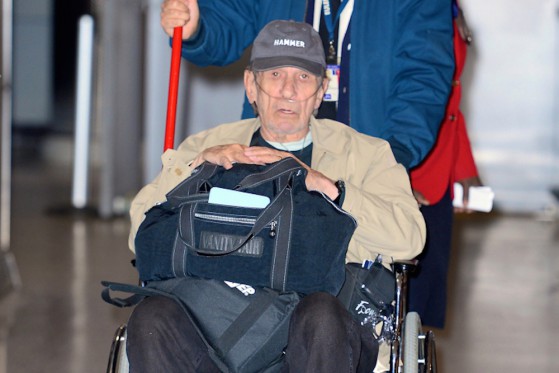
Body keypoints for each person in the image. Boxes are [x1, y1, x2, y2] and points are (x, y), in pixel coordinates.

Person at [127, 20, 425, 372]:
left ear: (320, 91)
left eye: (302, 78)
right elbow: (139, 236)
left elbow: (409, 240)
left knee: (322, 316)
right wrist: (195, 166)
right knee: (151, 318)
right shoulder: (205, 146)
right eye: (274, 75)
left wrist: (328, 187)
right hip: (215, 331)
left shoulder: (366, 154)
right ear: (251, 86)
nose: (288, 91)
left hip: (313, 337)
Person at [159, 0, 455, 170]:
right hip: (271, 152)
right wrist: (197, 29)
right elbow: (226, 23)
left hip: (368, 157)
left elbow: (424, 76)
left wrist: (391, 159)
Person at [408, 1, 483, 329]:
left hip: (435, 169)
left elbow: (450, 103)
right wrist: (392, 171)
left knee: (420, 297)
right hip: (403, 166)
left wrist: (463, 168)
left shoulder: (448, 11)